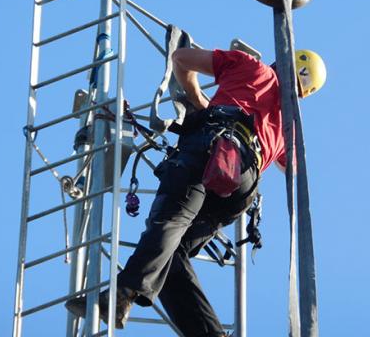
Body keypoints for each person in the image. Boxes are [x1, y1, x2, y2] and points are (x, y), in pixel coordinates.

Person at [66, 47, 326, 337]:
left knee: (170, 222)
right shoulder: (289, 122)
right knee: (169, 257)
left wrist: (200, 100)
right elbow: (291, 168)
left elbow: (181, 59)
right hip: (241, 187)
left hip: (214, 149)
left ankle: (121, 295)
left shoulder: (253, 67)